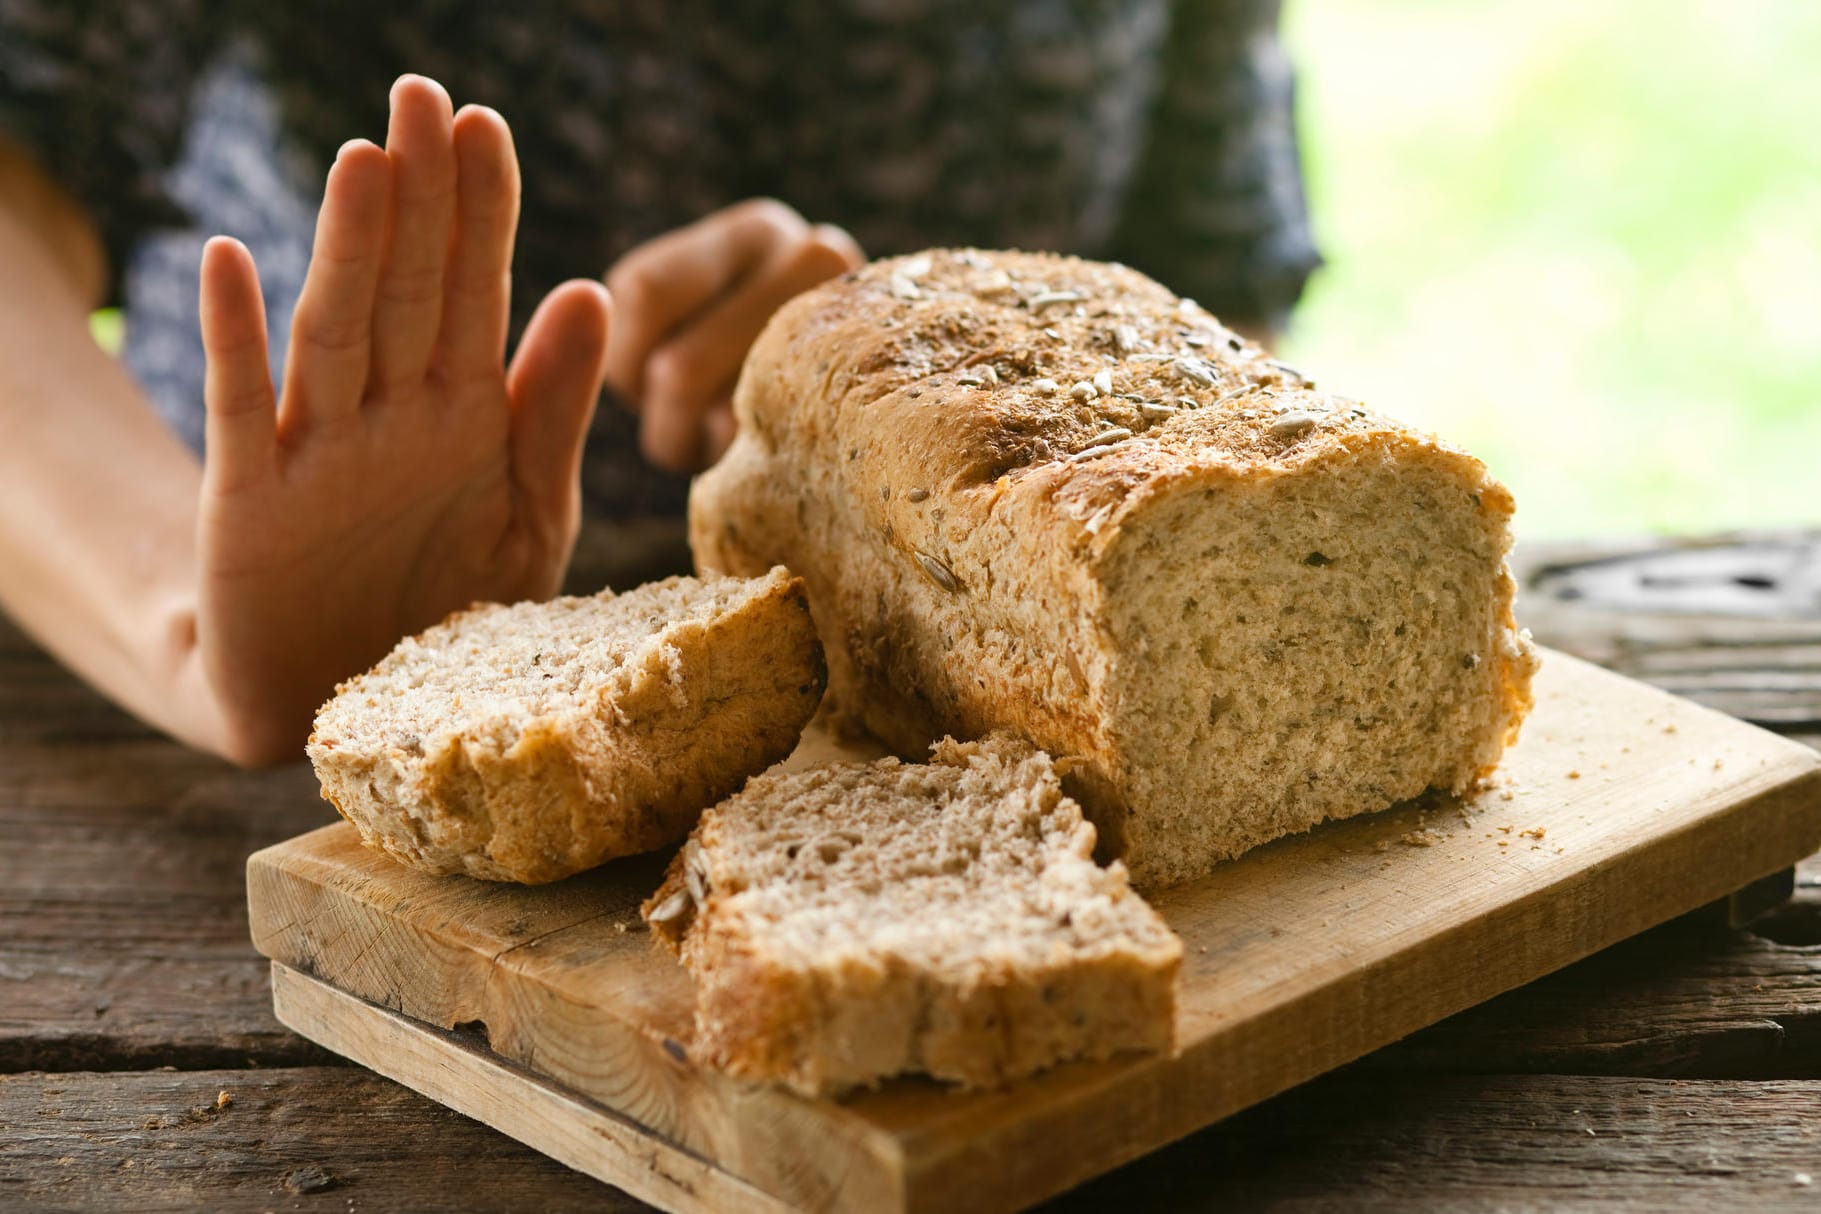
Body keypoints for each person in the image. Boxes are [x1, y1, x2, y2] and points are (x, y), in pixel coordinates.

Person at [0, 1, 1320, 765]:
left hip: (926, 738)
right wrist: (181, 616)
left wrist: (907, 354)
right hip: (204, 707)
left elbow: (1209, 289)